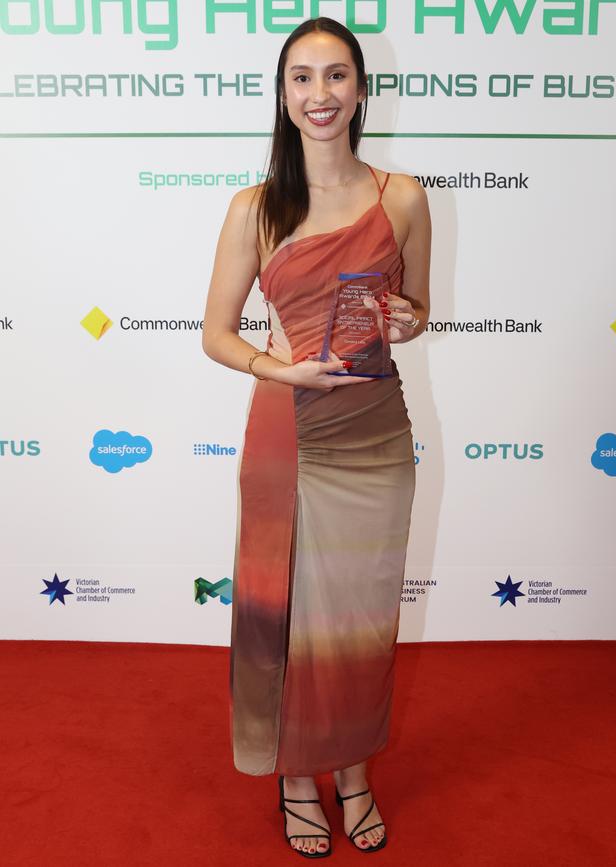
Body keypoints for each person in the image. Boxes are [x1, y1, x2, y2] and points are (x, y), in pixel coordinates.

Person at [202, 16, 431, 859]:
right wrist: (278, 369)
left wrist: (407, 318)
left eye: (337, 76)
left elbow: (416, 312)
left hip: (374, 433)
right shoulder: (255, 208)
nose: (320, 95)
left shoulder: (401, 197)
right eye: (302, 78)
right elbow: (217, 333)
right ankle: (299, 775)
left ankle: (353, 768)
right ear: (284, 93)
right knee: (289, 617)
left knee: (363, 617)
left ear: (362, 89)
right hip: (288, 437)